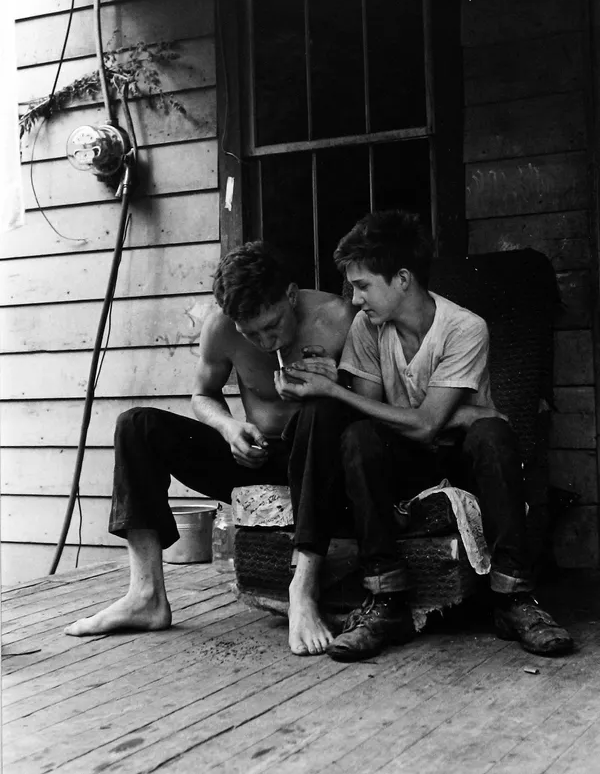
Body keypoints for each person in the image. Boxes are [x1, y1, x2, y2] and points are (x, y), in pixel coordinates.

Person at [276, 209, 573, 662]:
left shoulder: (464, 327)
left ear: (401, 279)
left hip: (459, 462)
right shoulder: (368, 328)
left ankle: (515, 600)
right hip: (407, 461)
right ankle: (387, 600)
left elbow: (429, 424)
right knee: (358, 439)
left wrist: (337, 390)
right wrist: (456, 413)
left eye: (362, 286)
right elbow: (374, 420)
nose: (355, 300)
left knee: (491, 433)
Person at [65, 241, 355, 656]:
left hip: (322, 466)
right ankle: (145, 594)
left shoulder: (337, 318)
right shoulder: (220, 326)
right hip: (257, 454)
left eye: (272, 325)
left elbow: (372, 402)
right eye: (249, 332)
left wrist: (334, 385)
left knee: (317, 416)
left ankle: (303, 589)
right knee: (137, 425)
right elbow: (203, 394)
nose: (264, 340)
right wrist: (229, 426)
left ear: (291, 296)